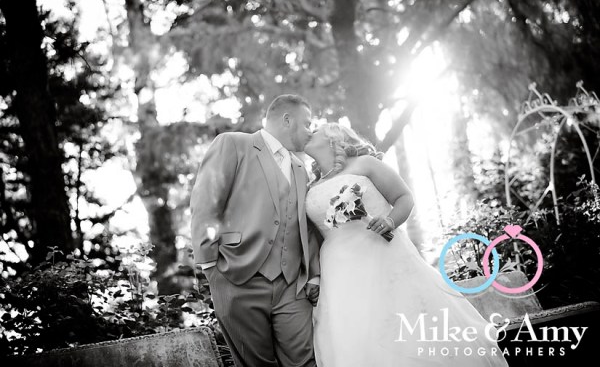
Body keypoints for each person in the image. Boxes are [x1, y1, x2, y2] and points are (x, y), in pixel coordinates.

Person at [304, 123, 509, 367]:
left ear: (332, 138)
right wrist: (316, 276)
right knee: (355, 333)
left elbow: (404, 197)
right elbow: (315, 237)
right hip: (339, 273)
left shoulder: (365, 164)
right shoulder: (311, 187)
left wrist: (390, 221)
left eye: (315, 130)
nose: (309, 132)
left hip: (382, 256)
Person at [190, 94, 321, 367]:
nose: (311, 131)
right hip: (237, 276)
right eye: (307, 123)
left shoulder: (300, 169)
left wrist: (313, 274)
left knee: (307, 361)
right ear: (287, 120)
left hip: (291, 285)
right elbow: (206, 202)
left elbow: (304, 224)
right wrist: (210, 266)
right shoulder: (233, 144)